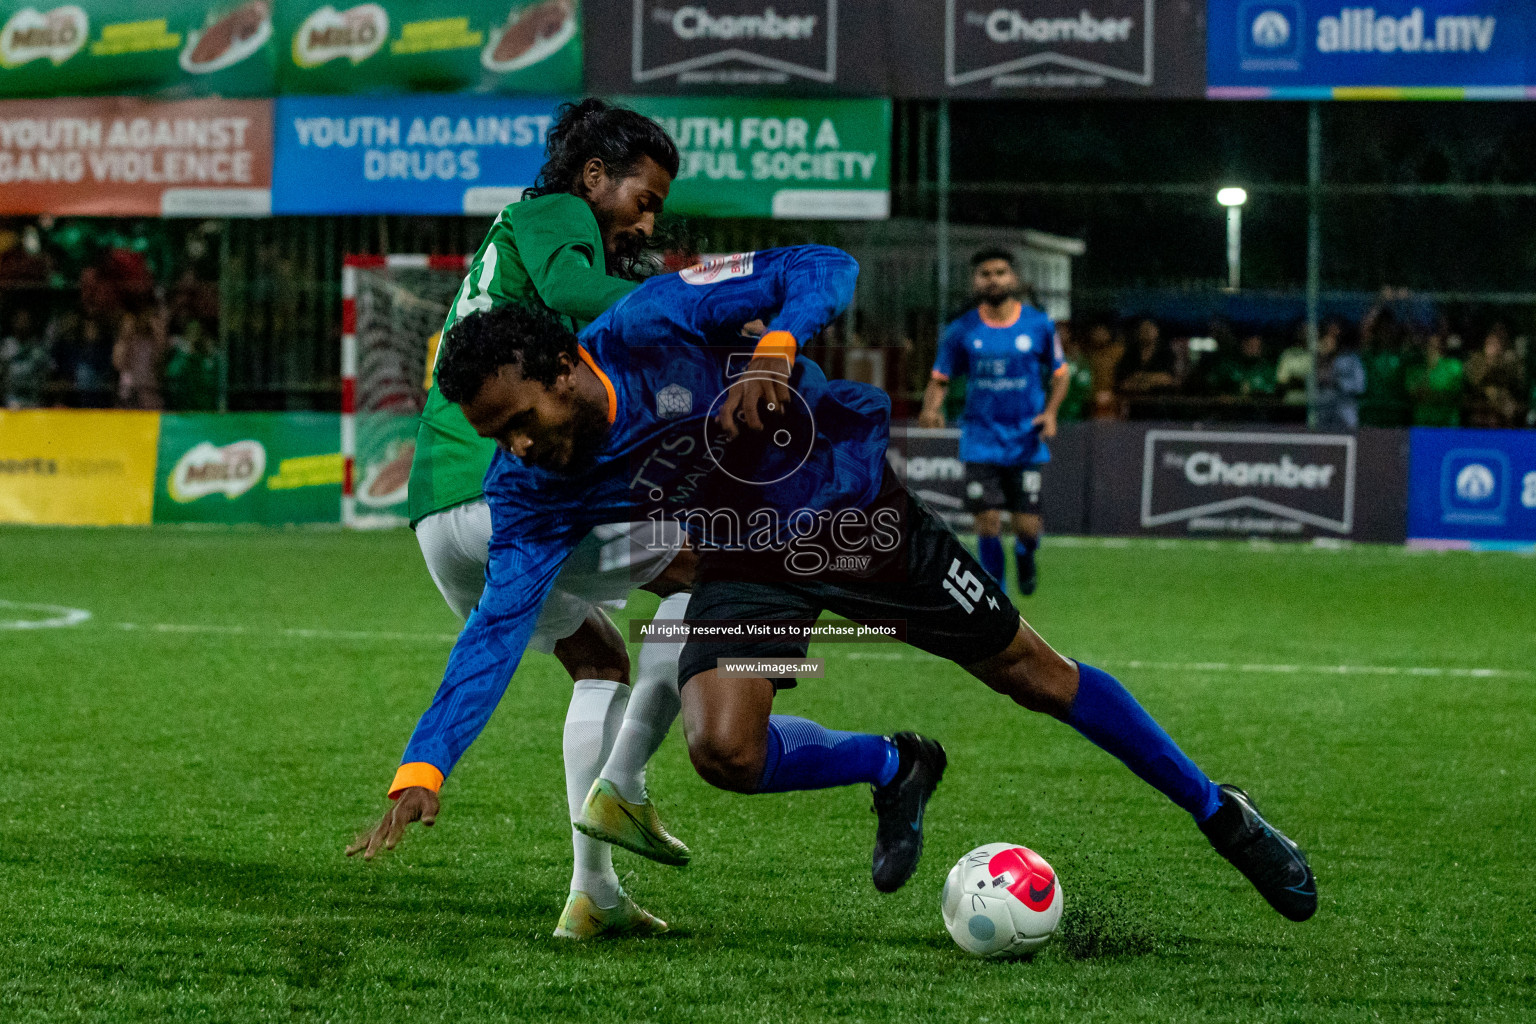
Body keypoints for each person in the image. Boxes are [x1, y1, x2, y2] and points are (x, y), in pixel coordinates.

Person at [359, 244, 1317, 928]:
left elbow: (822, 266)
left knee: (1033, 674)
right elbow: (493, 630)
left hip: (849, 509)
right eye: (499, 436)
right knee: (725, 751)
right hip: (746, 554)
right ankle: (896, 765)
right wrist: (423, 766)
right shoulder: (529, 485)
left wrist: (776, 350)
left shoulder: (649, 324)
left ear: (567, 369)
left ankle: (1219, 812)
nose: (518, 446)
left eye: (520, 418)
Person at [349, 99, 692, 941]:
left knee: (600, 658)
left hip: (438, 518)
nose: (649, 218)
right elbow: (582, 291)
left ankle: (594, 892)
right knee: (709, 575)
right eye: (643, 198)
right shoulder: (553, 214)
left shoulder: (523, 241)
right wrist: (692, 297)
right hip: (505, 488)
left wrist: (420, 766)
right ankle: (630, 788)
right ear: (592, 177)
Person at [917, 249, 1067, 596]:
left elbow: (1060, 375)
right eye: (985, 273)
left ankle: (1025, 554)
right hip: (980, 438)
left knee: (1027, 528)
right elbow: (940, 377)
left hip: (1025, 440)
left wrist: (1051, 411)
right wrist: (931, 408)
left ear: (1013, 278)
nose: (993, 279)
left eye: (1000, 272)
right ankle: (996, 596)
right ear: (976, 281)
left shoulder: (1038, 324)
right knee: (987, 522)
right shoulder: (960, 330)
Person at [1463, 325, 1527, 428]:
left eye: (1497, 344)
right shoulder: (1476, 360)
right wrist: (1489, 365)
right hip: (1479, 406)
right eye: (1490, 343)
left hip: (1502, 408)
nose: (1494, 347)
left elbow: (1517, 384)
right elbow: (1474, 383)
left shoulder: (1509, 362)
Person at [1313, 324, 1366, 431]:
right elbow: (1316, 382)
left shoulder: (1352, 359)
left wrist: (1340, 383)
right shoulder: (1322, 360)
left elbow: (1360, 386)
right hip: (1325, 410)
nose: (1330, 341)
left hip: (1347, 410)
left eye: (1335, 337)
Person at [1405, 330, 1464, 427]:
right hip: (1423, 425)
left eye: (1437, 346)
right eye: (1429, 345)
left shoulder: (1455, 367)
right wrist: (1429, 370)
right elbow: (1414, 395)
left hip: (1447, 426)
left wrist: (1430, 395)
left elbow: (1453, 395)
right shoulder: (1414, 369)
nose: (1432, 350)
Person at [1, 308, 50, 409]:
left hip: (33, 399)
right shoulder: (5, 346)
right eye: (19, 320)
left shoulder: (37, 348)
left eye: (25, 321)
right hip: (11, 399)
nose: (22, 323)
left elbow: (47, 373)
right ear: (13, 322)